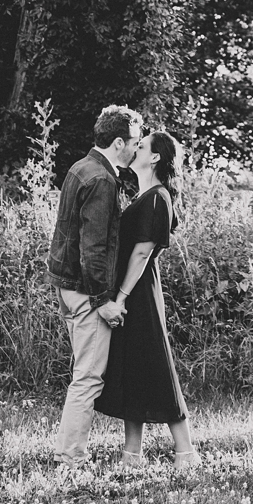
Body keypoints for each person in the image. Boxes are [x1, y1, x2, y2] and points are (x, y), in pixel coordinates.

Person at [94, 128, 199, 471]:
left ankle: (185, 452)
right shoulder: (146, 195)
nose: (134, 149)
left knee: (156, 365)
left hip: (137, 292)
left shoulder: (158, 198)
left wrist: (120, 298)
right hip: (131, 290)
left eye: (141, 146)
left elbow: (142, 253)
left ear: (154, 157)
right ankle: (131, 455)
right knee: (133, 368)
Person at [47, 103, 142, 470]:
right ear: (119, 142)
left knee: (83, 372)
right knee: (88, 376)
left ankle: (67, 452)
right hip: (86, 291)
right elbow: (93, 247)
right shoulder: (102, 179)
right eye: (134, 141)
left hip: (68, 285)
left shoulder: (80, 167)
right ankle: (70, 458)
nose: (136, 148)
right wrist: (104, 300)